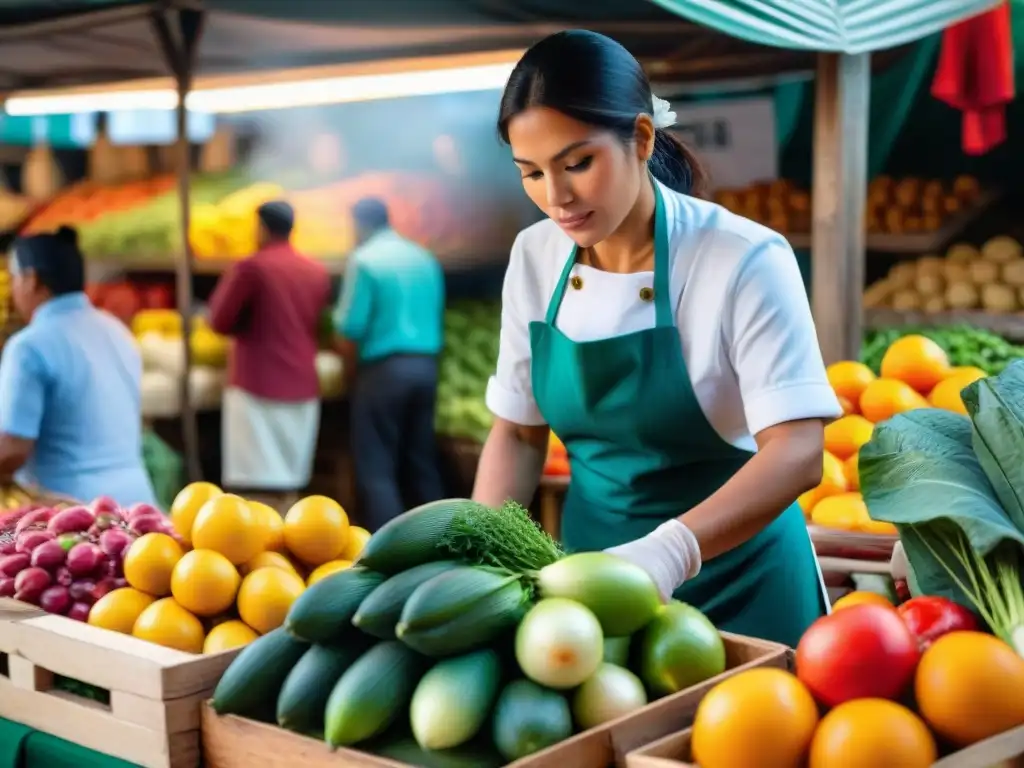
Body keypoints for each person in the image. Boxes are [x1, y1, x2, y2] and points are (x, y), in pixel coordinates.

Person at [471, 30, 842, 648]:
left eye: (577, 163)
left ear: (641, 138)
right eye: (531, 173)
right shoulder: (535, 257)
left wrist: (669, 554)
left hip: (745, 586)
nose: (555, 198)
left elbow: (798, 451)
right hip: (597, 597)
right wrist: (480, 558)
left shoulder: (742, 257)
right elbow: (516, 433)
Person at [0, 227, 157, 507]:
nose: (12, 289)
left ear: (32, 279)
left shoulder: (28, 346)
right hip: (139, 505)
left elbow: (12, 451)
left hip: (74, 516)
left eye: (14, 278)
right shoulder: (116, 329)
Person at [209, 200, 331, 510]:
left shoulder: (251, 267)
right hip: (302, 383)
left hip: (256, 384)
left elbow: (219, 320)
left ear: (261, 227)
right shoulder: (316, 270)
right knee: (291, 482)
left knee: (254, 491)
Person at [334, 197, 446, 531]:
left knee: (377, 465)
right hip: (426, 366)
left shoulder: (365, 260)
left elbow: (350, 327)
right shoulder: (423, 256)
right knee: (421, 459)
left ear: (360, 224)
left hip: (384, 370)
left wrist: (348, 371)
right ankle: (442, 541)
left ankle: (391, 550)